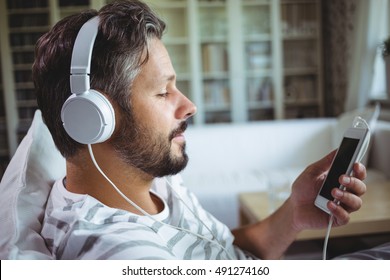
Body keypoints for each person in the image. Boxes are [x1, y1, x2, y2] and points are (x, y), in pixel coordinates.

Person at [32, 0, 367, 260]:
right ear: (93, 118)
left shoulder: (150, 179)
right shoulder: (120, 253)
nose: (189, 106)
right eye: (163, 92)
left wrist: (294, 213)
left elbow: (223, 251)